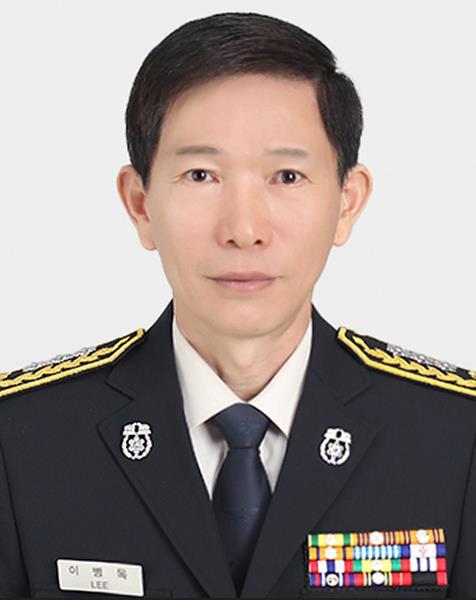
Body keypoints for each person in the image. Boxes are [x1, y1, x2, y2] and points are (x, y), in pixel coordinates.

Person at [0, 10, 475, 599]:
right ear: (140, 204)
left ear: (347, 203)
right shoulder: (23, 440)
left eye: (287, 176)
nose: (244, 230)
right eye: (201, 175)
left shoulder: (455, 438)